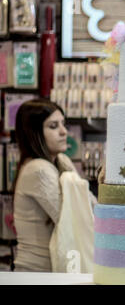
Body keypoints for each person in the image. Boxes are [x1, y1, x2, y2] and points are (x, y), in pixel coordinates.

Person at [12, 99, 93, 272]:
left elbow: (89, 206)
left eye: (63, 124)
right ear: (34, 133)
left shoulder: (61, 162)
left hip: (51, 271)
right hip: (37, 275)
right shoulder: (38, 170)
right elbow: (75, 219)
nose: (64, 132)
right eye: (53, 126)